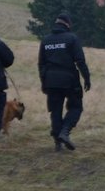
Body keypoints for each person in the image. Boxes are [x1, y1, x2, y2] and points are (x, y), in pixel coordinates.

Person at [38, 13, 91, 151]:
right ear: (67, 24)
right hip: (69, 80)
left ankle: (57, 142)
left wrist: (44, 82)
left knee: (55, 111)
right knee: (76, 107)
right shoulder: (72, 38)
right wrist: (87, 78)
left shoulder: (46, 40)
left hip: (51, 81)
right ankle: (65, 131)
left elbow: (41, 64)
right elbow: (80, 60)